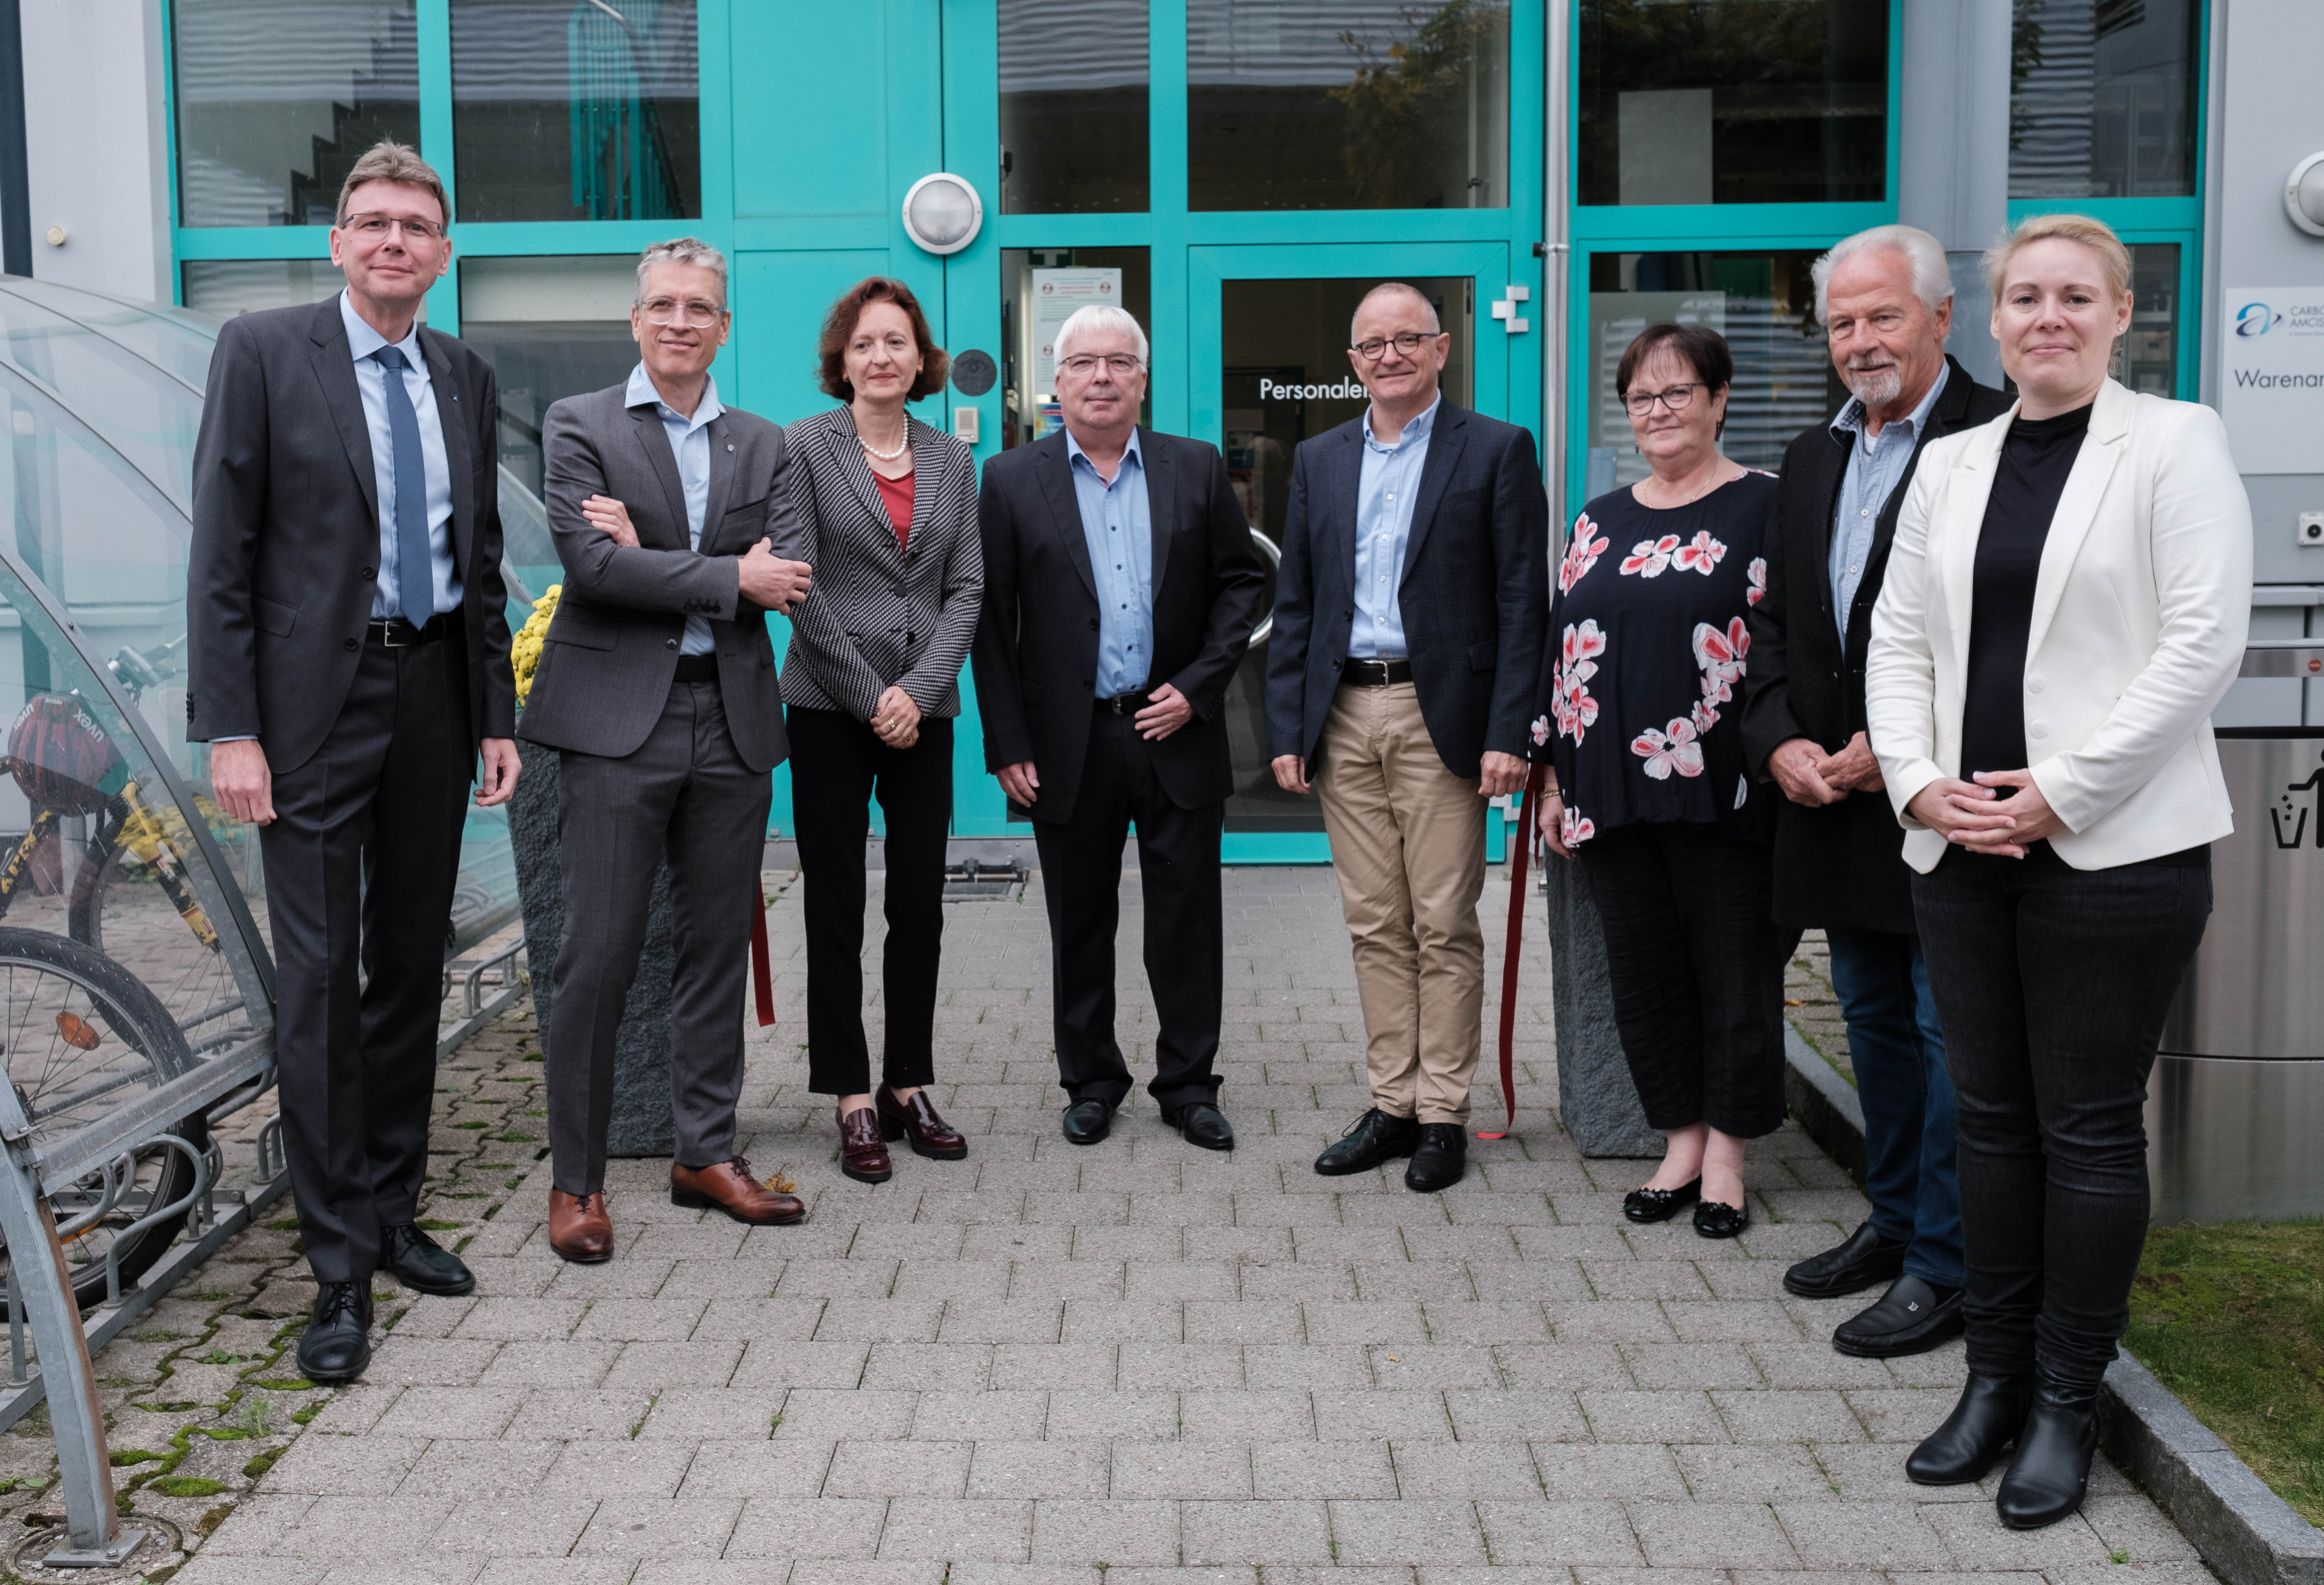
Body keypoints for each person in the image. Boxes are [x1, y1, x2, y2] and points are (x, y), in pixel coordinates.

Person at [1865, 213, 2250, 1528]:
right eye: (2021, 296)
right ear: (1989, 320)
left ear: (2119, 313)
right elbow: (1896, 639)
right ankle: (1988, 1376)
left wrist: (2058, 795)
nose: (2045, 315)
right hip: (1959, 842)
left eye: (2072, 297)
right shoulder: (1949, 462)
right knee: (1985, 1120)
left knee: (2081, 1130)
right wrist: (1916, 780)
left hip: (2110, 852)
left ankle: (2061, 1400)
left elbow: (2199, 646)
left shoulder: (2174, 443)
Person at [187, 141, 519, 1382]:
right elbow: (223, 549)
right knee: (322, 983)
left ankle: (389, 1212)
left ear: (443, 252)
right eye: (371, 222)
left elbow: (477, 556)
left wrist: (496, 712)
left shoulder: (463, 373)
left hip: (434, 691)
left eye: (416, 225)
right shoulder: (265, 352)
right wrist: (231, 726)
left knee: (412, 967)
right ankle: (333, 1270)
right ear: (338, 242)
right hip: (309, 708)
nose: (393, 241)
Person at [1740, 226, 2012, 1352]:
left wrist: (1887, 752)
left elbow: (2006, 636)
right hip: (1830, 807)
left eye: (1883, 316)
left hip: (1942, 798)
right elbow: (1774, 631)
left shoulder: (2002, 436)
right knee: (1873, 1026)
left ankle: (1952, 1263)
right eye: (1843, 321)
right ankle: (1895, 1223)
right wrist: (1778, 747)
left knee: (1951, 1038)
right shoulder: (1811, 460)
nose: (1861, 341)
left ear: (1943, 318)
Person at [519, 237, 813, 1261]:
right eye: (664, 306)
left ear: (724, 326)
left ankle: (704, 1152)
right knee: (595, 955)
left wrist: (658, 557)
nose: (681, 321)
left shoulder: (765, 442)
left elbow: (793, 571)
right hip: (613, 728)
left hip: (728, 722)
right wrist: (727, 575)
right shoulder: (579, 424)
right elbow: (594, 569)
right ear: (636, 320)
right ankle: (577, 1182)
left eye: (701, 307)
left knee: (709, 951)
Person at [1268, 282, 1548, 1194]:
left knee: (1442, 921)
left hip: (1444, 717)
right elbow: (1299, 600)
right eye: (1371, 344)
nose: (1388, 355)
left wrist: (1514, 728)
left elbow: (1521, 602)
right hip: (1345, 710)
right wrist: (1289, 726)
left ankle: (1443, 1114)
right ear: (1352, 363)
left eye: (1407, 340)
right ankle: (1391, 1103)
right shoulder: (1319, 458)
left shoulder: (1498, 450)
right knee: (1375, 923)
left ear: (1441, 350)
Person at [971, 305, 1265, 1151]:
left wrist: (1199, 687)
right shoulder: (1012, 478)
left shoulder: (1197, 468)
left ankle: (1189, 1083)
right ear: (1056, 384)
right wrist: (1009, 743)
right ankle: (1092, 1079)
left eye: (1119, 362)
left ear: (1143, 378)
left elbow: (1240, 586)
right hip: (1071, 738)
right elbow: (994, 622)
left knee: (1187, 920)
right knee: (1080, 919)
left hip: (1176, 728)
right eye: (1083, 363)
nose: (1101, 376)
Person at [1531, 323, 1783, 1237]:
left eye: (1680, 392)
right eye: (1644, 397)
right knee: (1645, 977)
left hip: (1728, 789)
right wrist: (1556, 778)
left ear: (1719, 400)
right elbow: (1561, 655)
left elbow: (1793, 643)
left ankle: (1728, 1155)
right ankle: (1679, 1139)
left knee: (1735, 973)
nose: (1661, 411)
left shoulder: (1768, 504)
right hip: (1610, 789)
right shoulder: (1598, 518)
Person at [780, 278, 982, 1183]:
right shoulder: (804, 447)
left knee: (921, 904)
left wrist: (919, 689)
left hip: (924, 712)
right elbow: (799, 584)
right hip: (830, 707)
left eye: (897, 342)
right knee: (835, 905)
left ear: (921, 356)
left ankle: (909, 1081)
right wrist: (872, 695)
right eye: (865, 343)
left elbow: (966, 587)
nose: (881, 358)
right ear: (842, 359)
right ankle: (849, 1091)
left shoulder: (952, 458)